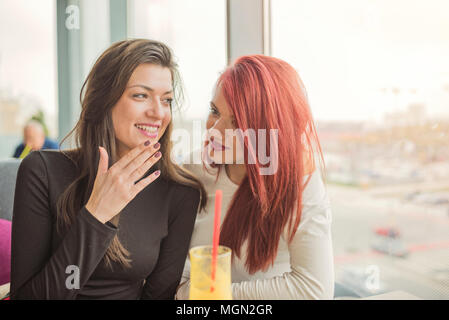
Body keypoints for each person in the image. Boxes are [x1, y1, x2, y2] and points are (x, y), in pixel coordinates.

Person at [10, 39, 206, 300]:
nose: (158, 113)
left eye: (167, 99)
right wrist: (95, 215)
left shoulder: (179, 192)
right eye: (141, 95)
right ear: (104, 100)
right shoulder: (42, 172)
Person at [176, 55, 334, 300]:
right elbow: (170, 268)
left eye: (237, 122)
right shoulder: (193, 170)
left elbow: (314, 290)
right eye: (214, 111)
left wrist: (212, 297)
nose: (215, 130)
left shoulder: (299, 181)